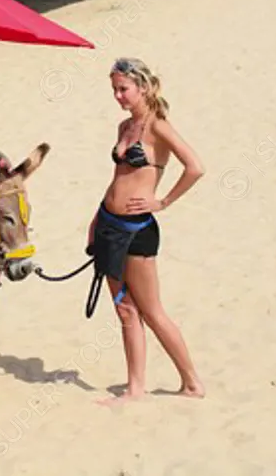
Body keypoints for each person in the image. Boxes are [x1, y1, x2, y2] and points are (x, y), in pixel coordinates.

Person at [87, 57, 205, 405]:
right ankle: (135, 388)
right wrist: (96, 219)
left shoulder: (158, 126)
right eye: (114, 90)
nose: (118, 96)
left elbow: (196, 167)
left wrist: (163, 201)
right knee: (125, 310)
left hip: (137, 230)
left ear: (143, 87)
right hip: (108, 224)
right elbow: (118, 178)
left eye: (123, 89)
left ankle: (192, 381)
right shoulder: (124, 128)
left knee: (152, 311)